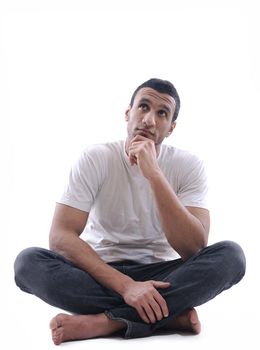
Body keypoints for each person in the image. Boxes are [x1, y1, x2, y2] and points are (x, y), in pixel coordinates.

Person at [14, 78, 246, 345]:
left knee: (231, 257)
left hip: (163, 275)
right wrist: (126, 287)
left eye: (162, 113)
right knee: (27, 263)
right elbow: (61, 236)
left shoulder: (188, 165)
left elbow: (193, 247)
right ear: (128, 113)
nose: (149, 119)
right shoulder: (96, 157)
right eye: (143, 107)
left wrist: (154, 174)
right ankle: (167, 315)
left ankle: (107, 322)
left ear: (171, 128)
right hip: (101, 272)